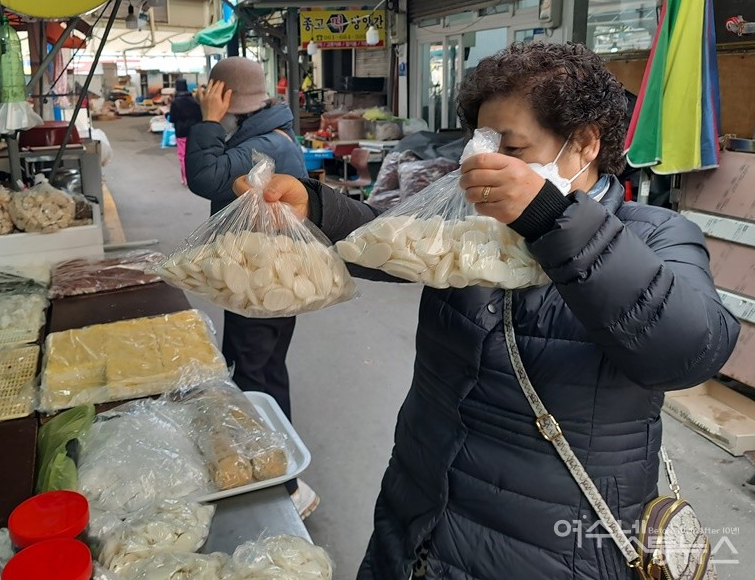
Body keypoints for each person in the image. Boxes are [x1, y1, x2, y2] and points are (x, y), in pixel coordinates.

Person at [234, 42, 739, 579]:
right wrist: (315, 208)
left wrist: (550, 218)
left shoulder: (656, 236)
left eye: (513, 151)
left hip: (551, 547)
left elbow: (689, 351)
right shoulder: (472, 227)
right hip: (416, 518)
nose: (487, 167)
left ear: (585, 143)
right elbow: (395, 242)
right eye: (481, 146)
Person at [185, 56, 319, 518]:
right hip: (262, 279)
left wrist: (207, 121)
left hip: (265, 285)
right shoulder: (262, 137)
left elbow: (203, 178)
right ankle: (278, 474)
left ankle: (287, 486)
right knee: (263, 370)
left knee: (255, 375)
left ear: (229, 103)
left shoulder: (265, 146)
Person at [168, 78, 202, 186]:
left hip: (181, 132)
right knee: (194, 154)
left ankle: (186, 179)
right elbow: (200, 116)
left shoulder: (175, 102)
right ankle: (197, 176)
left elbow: (172, 118)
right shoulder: (194, 100)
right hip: (194, 131)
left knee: (183, 156)